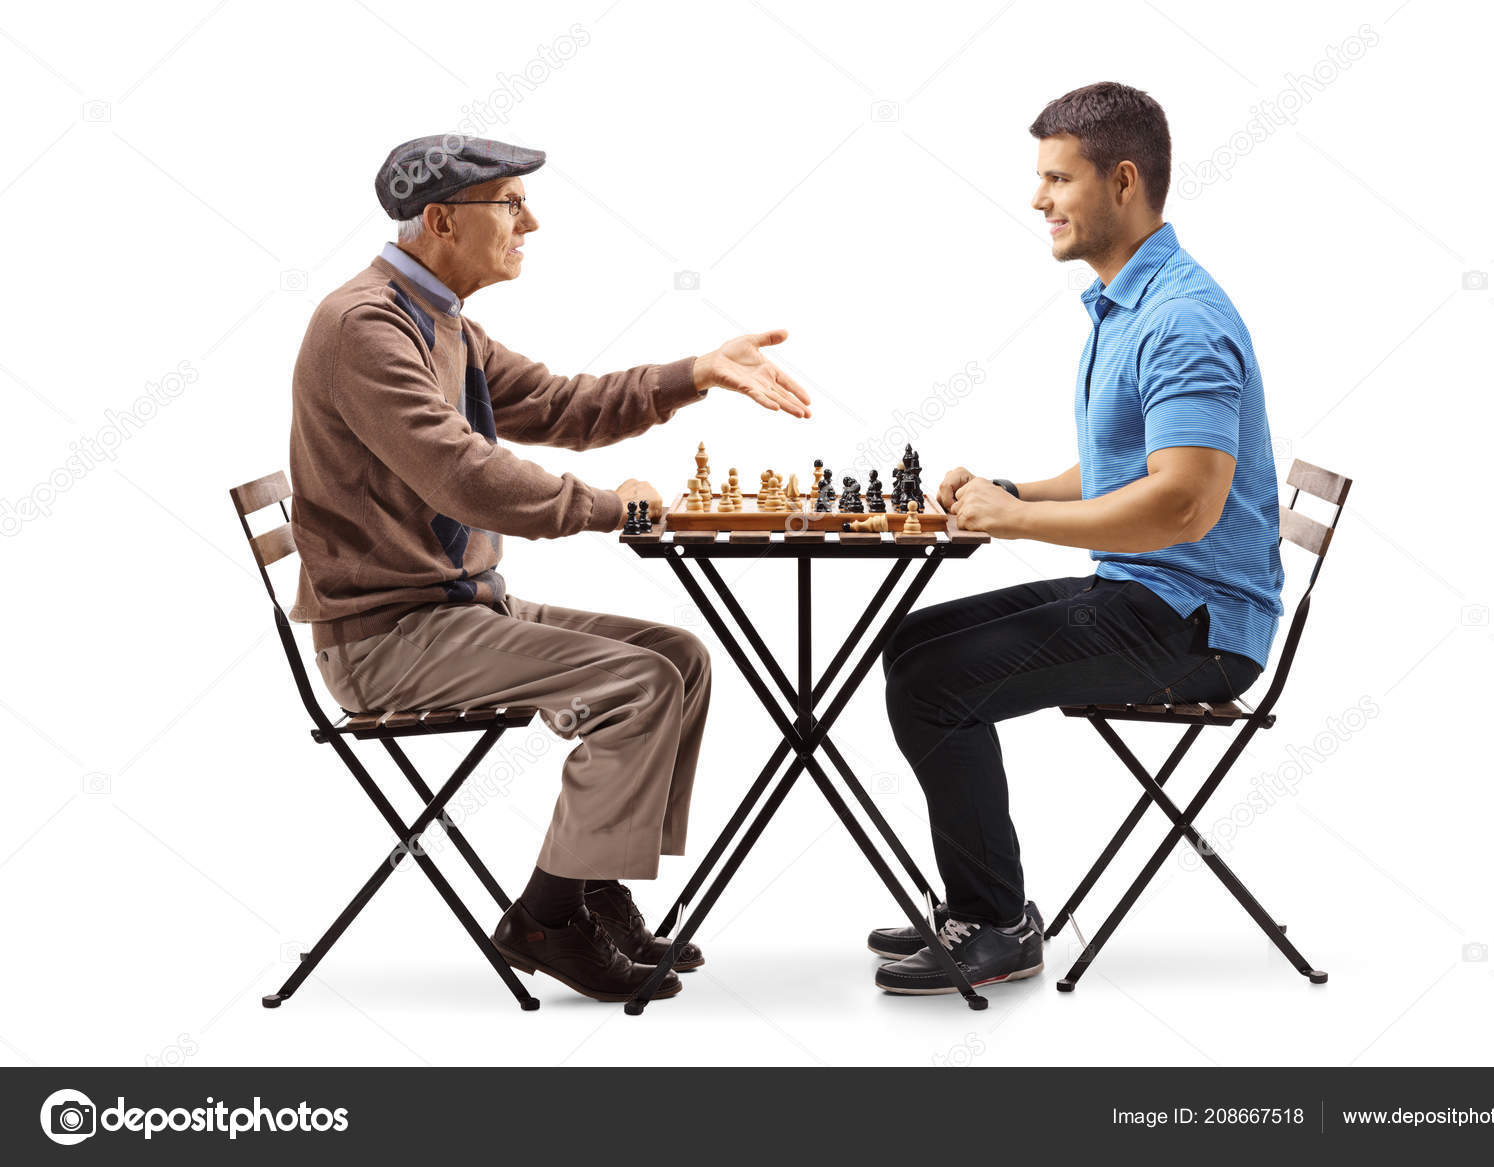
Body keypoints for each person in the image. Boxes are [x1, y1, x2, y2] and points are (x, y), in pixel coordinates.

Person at [288, 135, 811, 1002]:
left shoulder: (442, 320)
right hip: (388, 638)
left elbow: (563, 406)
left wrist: (697, 372)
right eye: (510, 203)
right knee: (636, 685)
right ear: (443, 218)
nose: (531, 220)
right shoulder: (365, 326)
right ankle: (545, 918)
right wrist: (616, 509)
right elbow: (466, 474)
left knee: (677, 657)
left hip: (459, 611)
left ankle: (592, 886)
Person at [869, 83, 1283, 996]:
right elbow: (1119, 474)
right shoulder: (1126, 303)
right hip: (1148, 595)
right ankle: (982, 901)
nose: (1038, 199)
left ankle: (995, 921)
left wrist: (1017, 521)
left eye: (1058, 178)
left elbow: (1182, 507)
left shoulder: (1181, 319)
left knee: (937, 681)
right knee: (911, 642)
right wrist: (1012, 488)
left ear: (1123, 181)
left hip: (1196, 631)